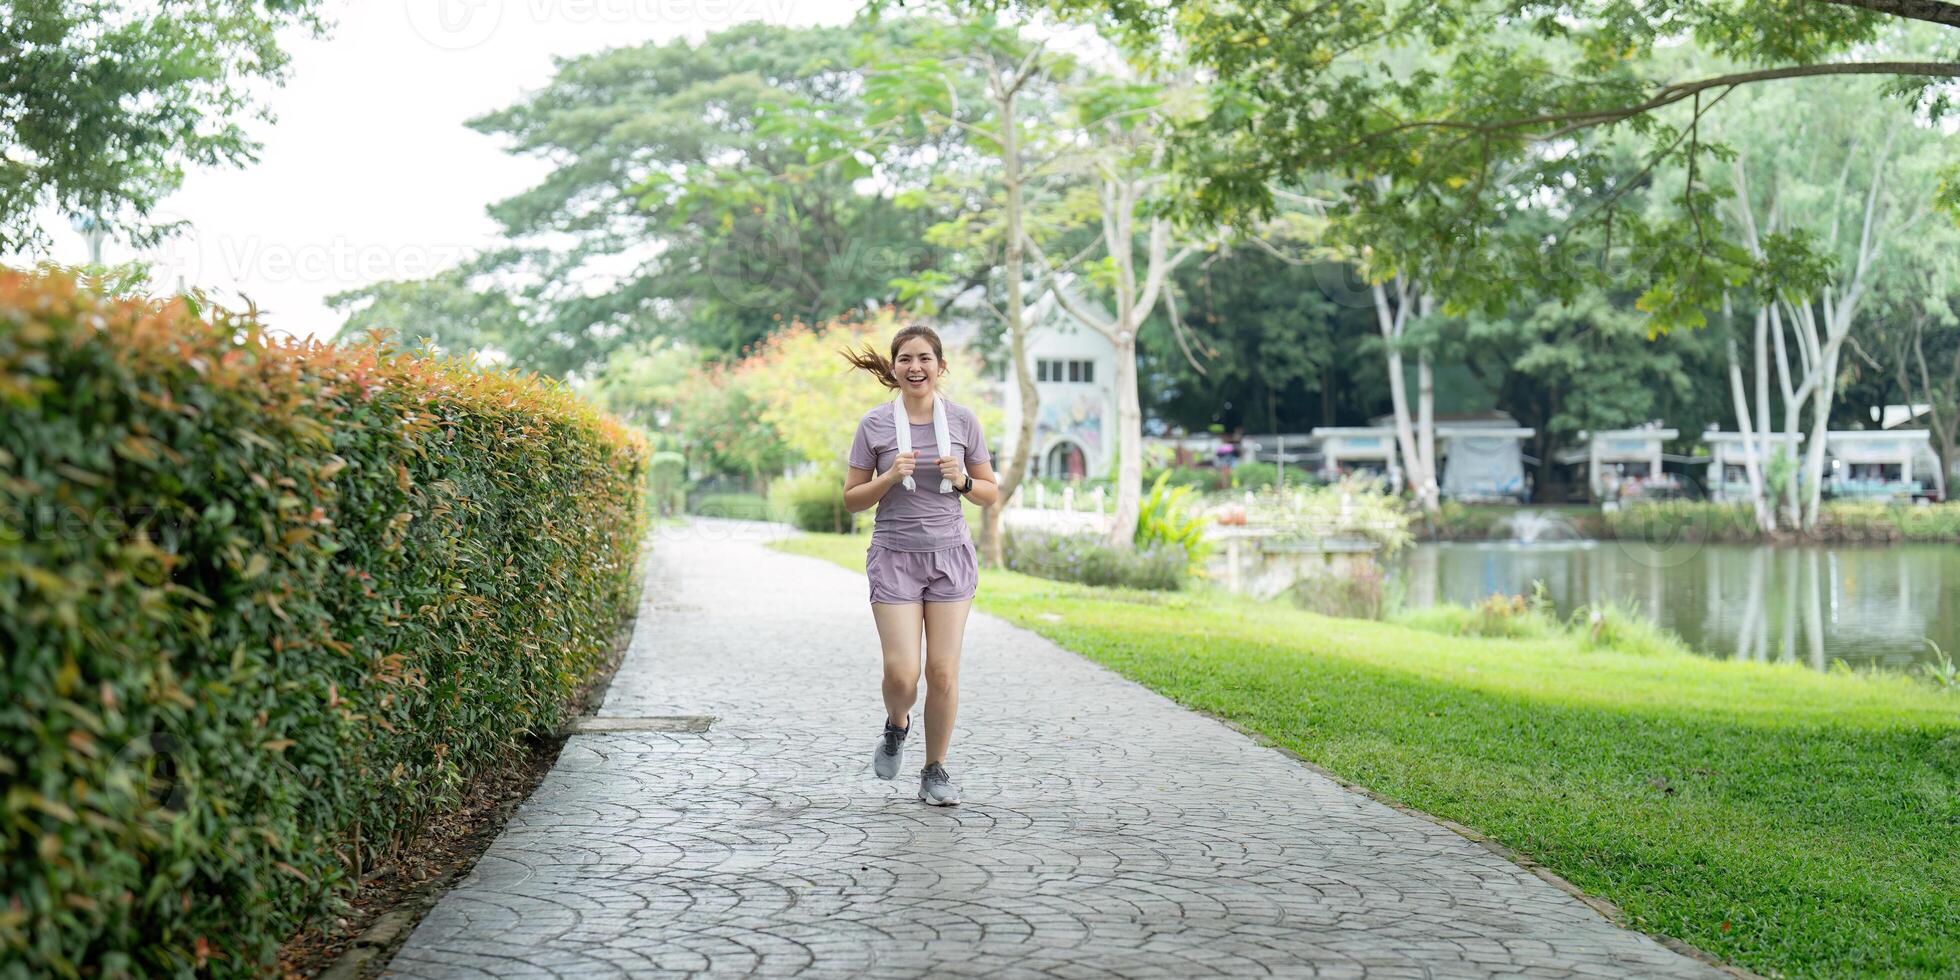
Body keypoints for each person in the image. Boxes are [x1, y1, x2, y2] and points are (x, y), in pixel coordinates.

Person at [841, 325, 999, 806]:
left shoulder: (964, 421)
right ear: (894, 369)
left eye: (925, 358)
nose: (916, 367)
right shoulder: (874, 425)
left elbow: (992, 493)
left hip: (950, 557)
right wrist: (889, 476)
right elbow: (851, 501)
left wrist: (966, 480)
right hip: (894, 557)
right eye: (906, 358)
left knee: (944, 671)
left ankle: (935, 770)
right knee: (902, 674)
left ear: (940, 366)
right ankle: (896, 723)